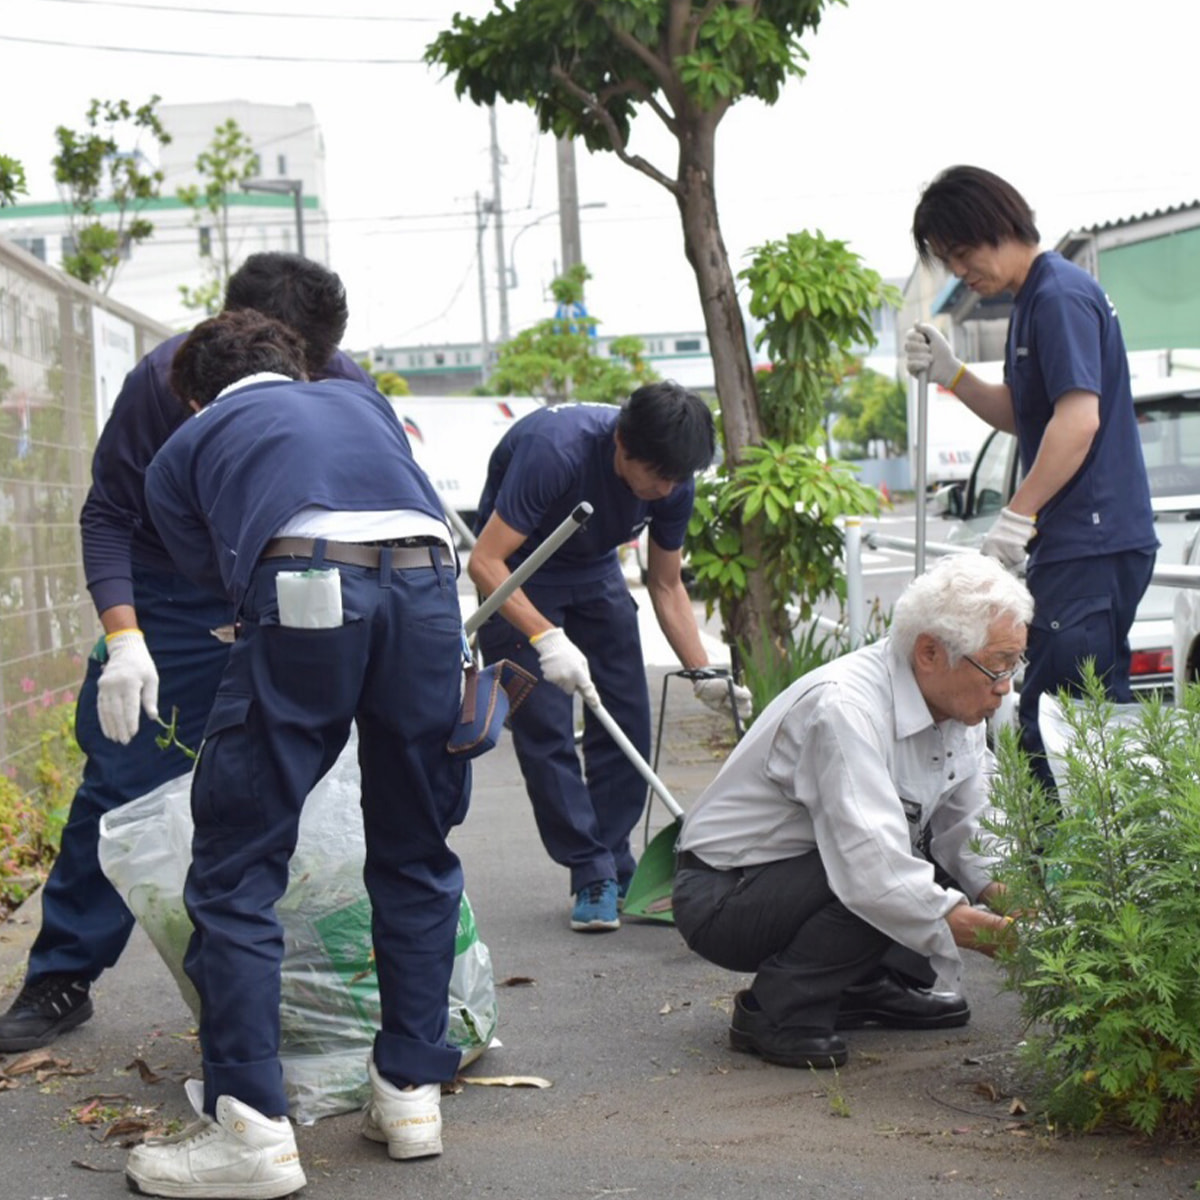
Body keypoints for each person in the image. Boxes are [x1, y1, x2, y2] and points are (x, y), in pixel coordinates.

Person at [124, 310, 468, 1199]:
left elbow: (216, 578)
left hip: (307, 583)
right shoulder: (364, 403)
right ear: (296, 366)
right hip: (430, 593)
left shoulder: (189, 440)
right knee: (416, 851)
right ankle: (409, 1094)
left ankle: (248, 1127)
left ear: (195, 391)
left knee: (239, 866)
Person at [0, 253, 374, 1055]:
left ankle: (301, 980)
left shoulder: (341, 381)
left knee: (304, 788)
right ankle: (62, 973)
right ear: (229, 329)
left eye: (307, 366)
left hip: (287, 593)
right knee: (121, 780)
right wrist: (126, 636)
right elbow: (107, 515)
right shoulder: (161, 384)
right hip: (172, 602)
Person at [672, 554, 1026, 1069]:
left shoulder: (957, 703)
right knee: (881, 871)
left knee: (909, 858)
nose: (1006, 685)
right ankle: (774, 1012)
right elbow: (872, 871)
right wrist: (995, 935)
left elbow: (973, 827)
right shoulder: (846, 708)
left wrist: (1024, 903)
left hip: (798, 871)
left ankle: (862, 985)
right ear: (930, 652)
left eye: (1015, 664)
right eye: (997, 666)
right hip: (724, 895)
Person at [903, 165, 1157, 790]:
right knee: (1063, 724)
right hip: (1078, 545)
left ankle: (1082, 881)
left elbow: (1078, 421)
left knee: (1069, 732)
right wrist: (952, 373)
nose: (961, 272)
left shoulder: (1058, 296)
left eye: (961, 254)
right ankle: (1071, 877)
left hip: (1089, 543)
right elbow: (1028, 413)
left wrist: (1017, 515)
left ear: (995, 227)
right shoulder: (1031, 300)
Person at [469, 385, 750, 932]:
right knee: (545, 726)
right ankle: (590, 870)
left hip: (595, 568)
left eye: (676, 479)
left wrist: (701, 673)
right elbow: (485, 560)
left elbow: (666, 585)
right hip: (520, 572)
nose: (665, 490)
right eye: (656, 476)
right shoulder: (556, 452)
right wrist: (545, 637)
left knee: (626, 712)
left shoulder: (673, 480)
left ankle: (616, 859)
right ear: (621, 443)